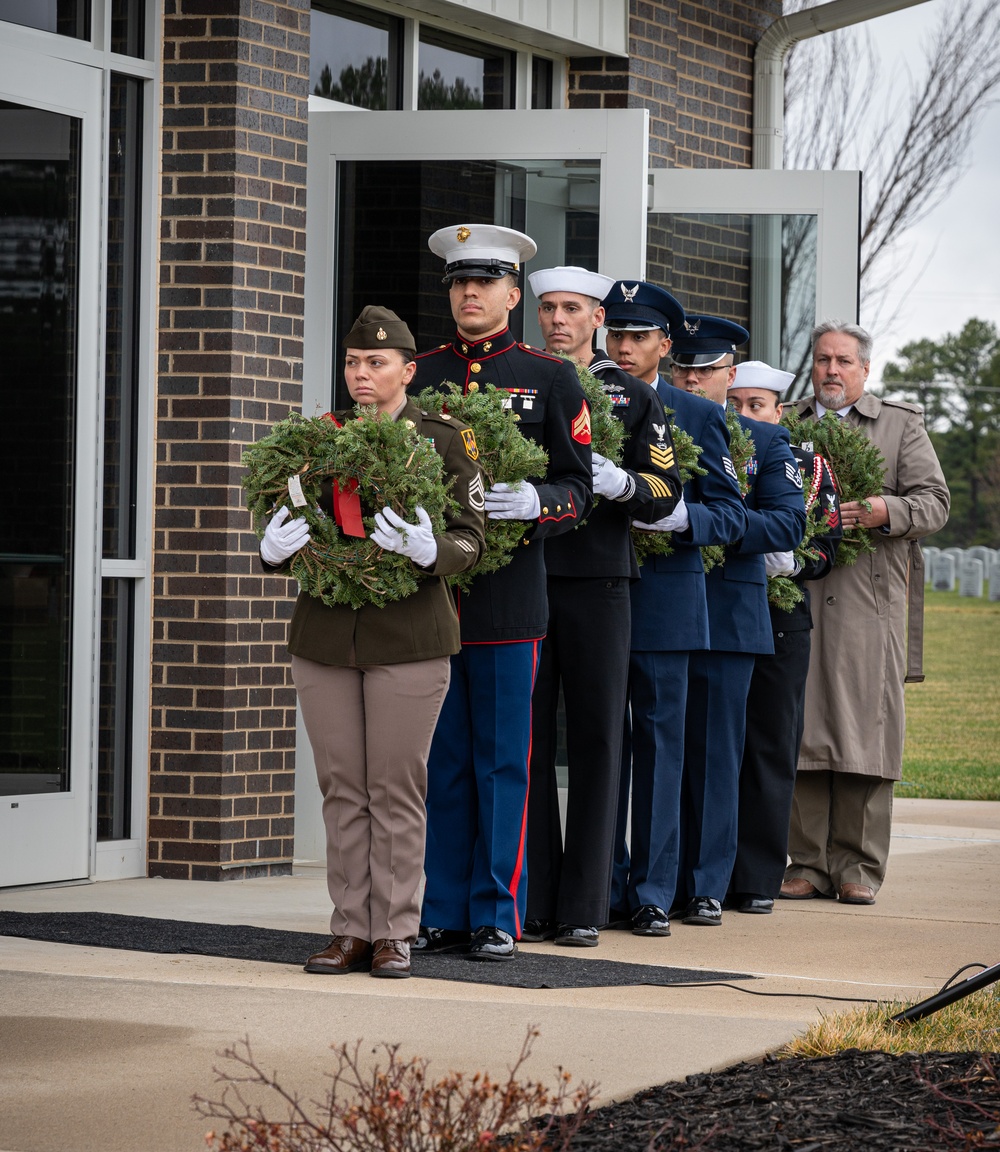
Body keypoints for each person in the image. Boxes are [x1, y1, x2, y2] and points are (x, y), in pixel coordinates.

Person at [259, 306, 485, 978]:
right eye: (354, 362)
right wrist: (270, 551)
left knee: (394, 787)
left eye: (377, 363)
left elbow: (472, 540)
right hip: (325, 636)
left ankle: (394, 931)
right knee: (342, 788)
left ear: (408, 371)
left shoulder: (445, 441)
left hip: (410, 636)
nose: (363, 373)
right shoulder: (317, 441)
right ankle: (349, 929)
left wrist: (429, 549)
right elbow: (283, 517)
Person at [409, 226, 593, 960]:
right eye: (459, 283)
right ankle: (442, 908)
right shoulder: (418, 375)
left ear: (514, 294)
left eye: (484, 282)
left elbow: (580, 488)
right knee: (442, 762)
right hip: (430, 599)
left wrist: (538, 501)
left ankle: (496, 911)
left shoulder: (550, 377)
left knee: (504, 761)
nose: (470, 293)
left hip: (511, 599)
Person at [521, 266, 683, 948]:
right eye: (548, 308)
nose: (558, 320)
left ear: (597, 320)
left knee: (597, 740)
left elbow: (666, 490)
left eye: (572, 309)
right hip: (522, 575)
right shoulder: (515, 381)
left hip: (599, 582)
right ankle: (530, 899)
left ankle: (584, 904)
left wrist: (621, 484)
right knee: (522, 744)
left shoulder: (629, 395)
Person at [782, 320, 949, 906]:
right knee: (801, 729)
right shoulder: (788, 420)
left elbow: (935, 504)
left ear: (864, 370)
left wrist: (884, 510)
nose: (831, 370)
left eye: (844, 362)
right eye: (823, 359)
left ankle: (859, 867)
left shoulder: (900, 426)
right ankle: (805, 862)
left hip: (868, 605)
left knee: (865, 733)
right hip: (797, 596)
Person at [603, 283, 748, 937]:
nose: (625, 347)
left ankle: (653, 891)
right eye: (618, 334)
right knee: (602, 746)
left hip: (665, 594)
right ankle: (600, 884)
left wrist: (682, 517)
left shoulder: (695, 413)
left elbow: (731, 512)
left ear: (666, 344)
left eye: (639, 337)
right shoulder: (580, 399)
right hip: (595, 590)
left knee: (661, 747)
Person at [666, 317, 806, 927]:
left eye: (707, 370)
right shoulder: (652, 431)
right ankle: (655, 881)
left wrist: (700, 522)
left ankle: (708, 884)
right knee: (659, 753)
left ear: (731, 375)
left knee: (718, 755)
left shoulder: (767, 443)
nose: (694, 380)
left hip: (729, 609)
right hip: (661, 608)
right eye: (685, 370)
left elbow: (787, 525)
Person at [726, 361, 842, 913]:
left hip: (781, 616)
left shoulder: (805, 462)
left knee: (770, 746)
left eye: (757, 406)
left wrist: (791, 561)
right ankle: (710, 871)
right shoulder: (710, 448)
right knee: (717, 748)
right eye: (737, 404)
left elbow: (829, 541)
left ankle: (756, 877)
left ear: (778, 411)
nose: (745, 415)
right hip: (724, 613)